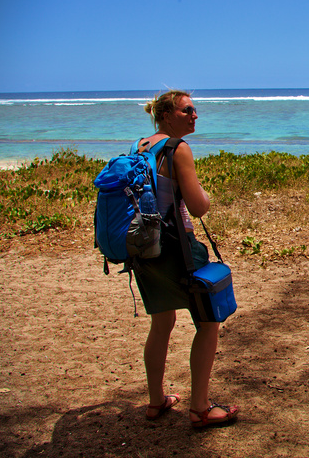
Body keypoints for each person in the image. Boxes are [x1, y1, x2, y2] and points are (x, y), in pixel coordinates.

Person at [132, 89, 239, 428]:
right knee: (208, 323)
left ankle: (156, 401)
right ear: (165, 115)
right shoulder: (178, 149)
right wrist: (206, 195)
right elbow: (197, 207)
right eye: (186, 110)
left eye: (194, 110)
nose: (194, 115)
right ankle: (200, 409)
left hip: (145, 249)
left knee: (161, 324)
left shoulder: (140, 146)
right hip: (177, 248)